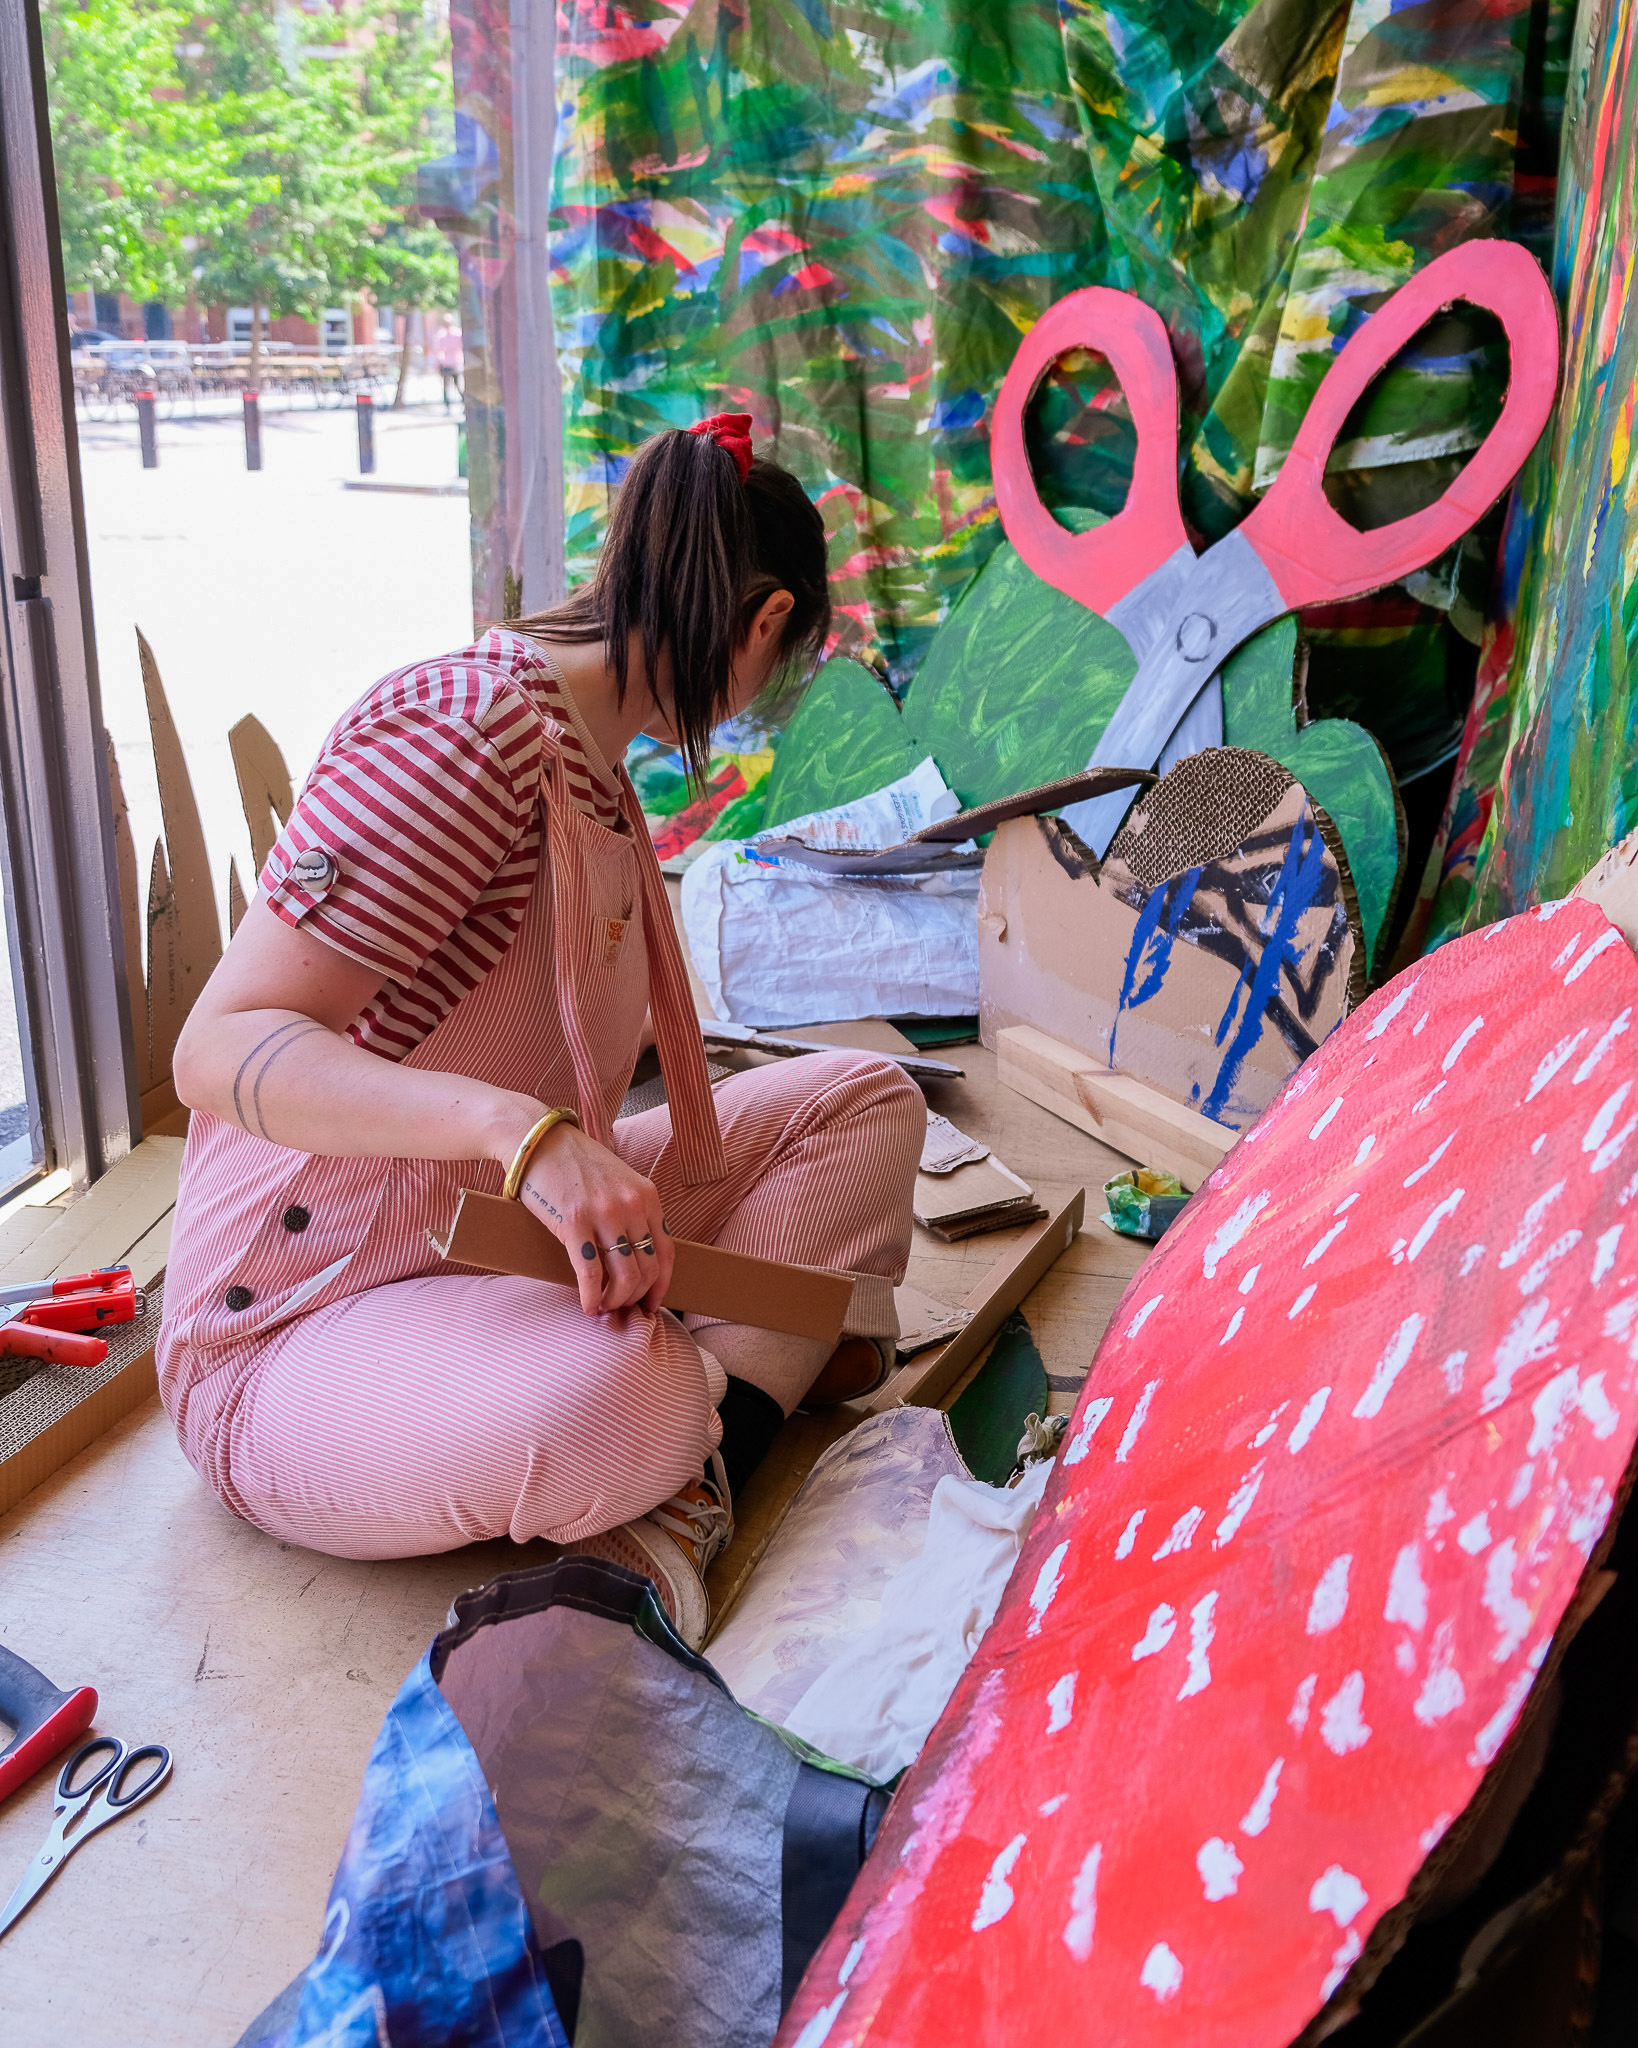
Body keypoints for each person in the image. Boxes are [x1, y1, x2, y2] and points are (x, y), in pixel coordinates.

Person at [157, 415, 924, 1648]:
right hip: (294, 1324)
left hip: (489, 1241)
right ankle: (695, 1432)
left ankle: (693, 1458)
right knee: (628, 1395)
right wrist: (530, 1136)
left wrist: (555, 1159)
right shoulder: (467, 736)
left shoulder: (595, 763)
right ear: (767, 620)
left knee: (869, 1104)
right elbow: (221, 1044)